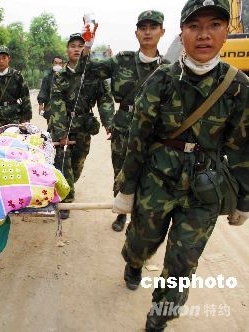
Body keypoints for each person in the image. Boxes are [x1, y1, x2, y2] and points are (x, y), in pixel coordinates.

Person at [112, 0, 249, 330]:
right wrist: (126, 188)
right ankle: (134, 262)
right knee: (141, 241)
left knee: (183, 260)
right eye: (194, 27)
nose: (204, 35)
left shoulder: (238, 86)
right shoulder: (162, 80)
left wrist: (244, 198)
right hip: (157, 178)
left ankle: (158, 319)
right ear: (182, 32)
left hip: (205, 186)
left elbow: (243, 146)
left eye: (214, 25)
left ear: (226, 32)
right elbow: (138, 136)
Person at [87, 10, 169, 232]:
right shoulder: (121, 60)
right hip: (124, 125)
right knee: (120, 170)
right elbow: (90, 70)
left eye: (153, 27)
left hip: (154, 129)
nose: (148, 32)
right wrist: (88, 45)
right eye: (143, 28)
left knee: (150, 172)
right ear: (136, 33)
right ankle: (121, 213)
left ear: (162, 31)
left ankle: (140, 216)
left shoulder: (169, 68)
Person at [49, 33, 114, 219]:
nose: (76, 48)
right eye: (72, 45)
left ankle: (69, 186)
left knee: (77, 165)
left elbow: (105, 100)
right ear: (67, 50)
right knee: (63, 162)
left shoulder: (94, 74)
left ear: (86, 49)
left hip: (84, 126)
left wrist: (109, 123)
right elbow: (56, 103)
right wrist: (61, 132)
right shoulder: (60, 76)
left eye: (80, 45)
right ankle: (66, 201)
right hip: (63, 125)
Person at [0, 45, 32, 131]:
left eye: (4, 58)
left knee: (14, 141)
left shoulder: (17, 76)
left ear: (9, 59)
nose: (1, 61)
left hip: (15, 115)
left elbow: (25, 97)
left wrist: (26, 118)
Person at [37, 55, 63, 121]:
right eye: (56, 63)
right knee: (50, 128)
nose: (58, 65)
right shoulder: (47, 78)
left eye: (60, 63)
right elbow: (43, 91)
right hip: (50, 108)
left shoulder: (66, 77)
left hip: (63, 109)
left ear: (63, 65)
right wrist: (40, 105)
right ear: (52, 64)